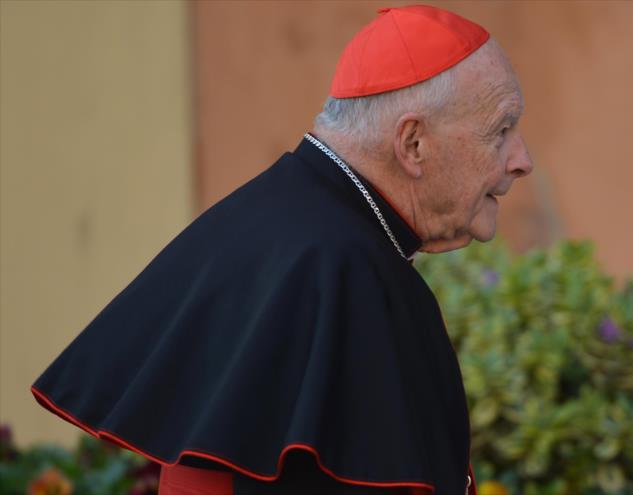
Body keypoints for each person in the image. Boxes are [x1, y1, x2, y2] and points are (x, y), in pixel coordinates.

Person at [30, 4, 533, 494]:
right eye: (501, 130)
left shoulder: (261, 223)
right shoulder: (346, 273)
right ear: (413, 144)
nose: (521, 160)